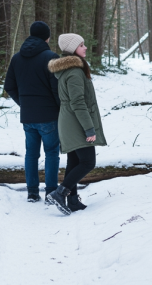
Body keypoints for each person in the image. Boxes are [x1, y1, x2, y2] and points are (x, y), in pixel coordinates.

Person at [45, 34, 107, 215]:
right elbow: (78, 102)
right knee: (88, 162)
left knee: (74, 161)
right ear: (73, 49)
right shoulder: (74, 71)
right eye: (81, 45)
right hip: (75, 122)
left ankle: (72, 200)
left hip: (69, 120)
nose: (85, 47)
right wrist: (89, 128)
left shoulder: (70, 69)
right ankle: (60, 193)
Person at [4, 21, 62, 202]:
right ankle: (52, 192)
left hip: (28, 116)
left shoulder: (16, 58)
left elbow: (9, 86)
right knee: (52, 152)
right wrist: (59, 108)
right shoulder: (51, 57)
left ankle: (32, 192)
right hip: (49, 116)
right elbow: (56, 89)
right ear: (47, 37)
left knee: (31, 154)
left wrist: (24, 103)